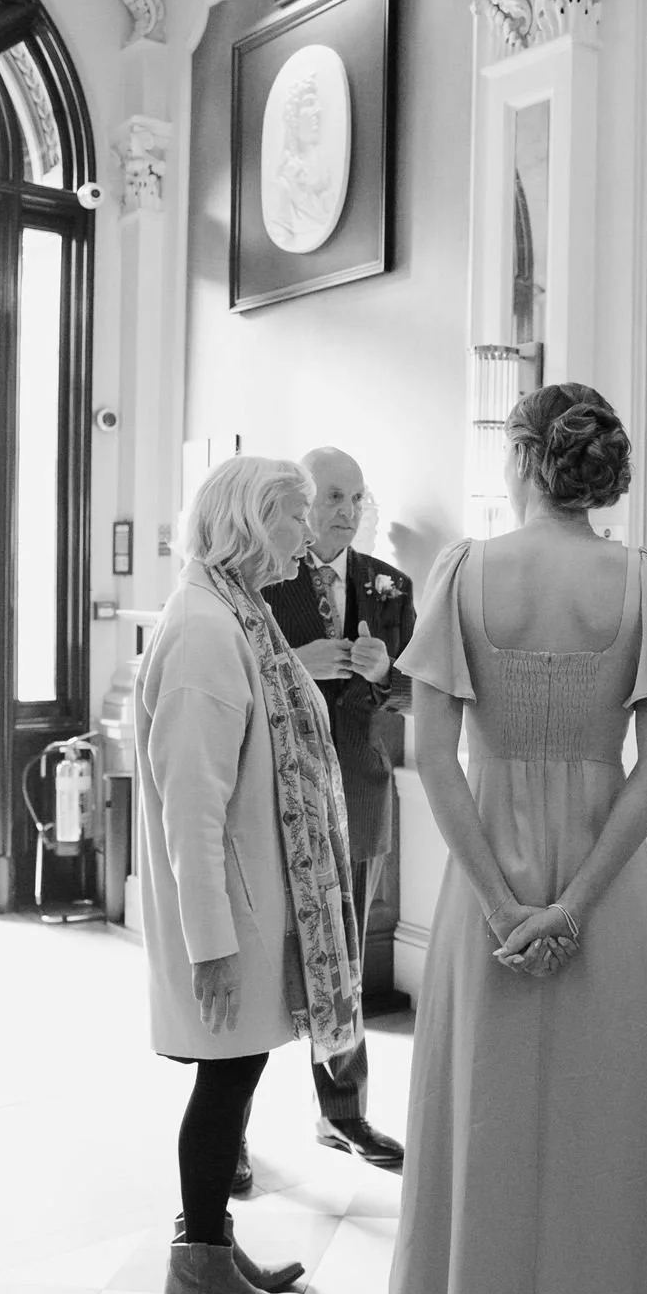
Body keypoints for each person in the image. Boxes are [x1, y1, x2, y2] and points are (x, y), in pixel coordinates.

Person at [371, 383, 647, 1294]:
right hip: (608, 903)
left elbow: (431, 757)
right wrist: (570, 905)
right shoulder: (643, 582)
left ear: (523, 457)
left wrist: (503, 905)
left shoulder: (463, 575)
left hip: (485, 899)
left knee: (481, 1149)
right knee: (599, 1164)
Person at [134, 456, 361, 1294]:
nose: (307, 536)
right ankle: (197, 1270)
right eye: (294, 516)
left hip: (251, 900)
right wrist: (211, 945)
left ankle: (212, 1249)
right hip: (229, 912)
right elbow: (191, 804)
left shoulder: (235, 610)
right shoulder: (204, 628)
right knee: (225, 1082)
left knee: (238, 1075)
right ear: (249, 522)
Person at [247, 445, 413, 1176]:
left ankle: (342, 1115)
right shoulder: (258, 578)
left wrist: (386, 674)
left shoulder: (389, 585)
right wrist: (295, 664)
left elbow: (416, 691)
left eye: (356, 498)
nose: (346, 512)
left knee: (344, 963)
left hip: (360, 793)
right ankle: (230, 1132)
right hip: (276, 797)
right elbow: (236, 678)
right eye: (332, 497)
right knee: (263, 964)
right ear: (301, 502)